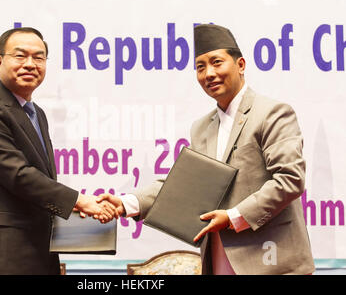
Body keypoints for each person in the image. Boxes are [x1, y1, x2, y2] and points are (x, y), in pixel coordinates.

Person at [97, 24, 315, 275]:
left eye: (216, 62)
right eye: (201, 67)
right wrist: (126, 203)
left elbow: (290, 180)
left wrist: (234, 216)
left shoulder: (272, 113)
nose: (209, 73)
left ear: (241, 65)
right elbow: (183, 186)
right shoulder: (201, 128)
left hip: (271, 263)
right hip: (219, 261)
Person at [0, 27, 116, 275]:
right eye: (20, 56)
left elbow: (41, 183)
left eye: (39, 57)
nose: (30, 64)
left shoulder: (36, 113)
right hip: (4, 253)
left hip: (40, 249)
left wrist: (75, 207)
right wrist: (79, 200)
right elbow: (19, 175)